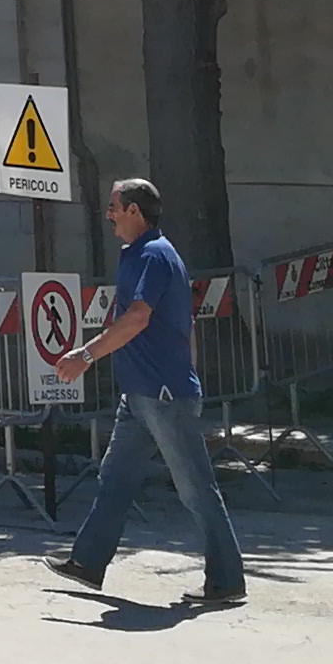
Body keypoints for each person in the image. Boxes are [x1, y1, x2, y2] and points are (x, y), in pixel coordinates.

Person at [45, 177, 245, 609]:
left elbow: (137, 318)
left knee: (196, 488)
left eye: (115, 206)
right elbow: (148, 322)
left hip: (162, 396)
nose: (109, 214)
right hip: (141, 394)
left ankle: (227, 581)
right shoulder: (137, 254)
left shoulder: (154, 255)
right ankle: (87, 562)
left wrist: (86, 354)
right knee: (114, 480)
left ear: (135, 211)